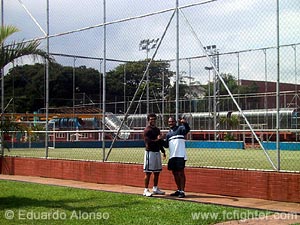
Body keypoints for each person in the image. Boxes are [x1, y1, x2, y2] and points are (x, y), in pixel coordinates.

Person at [164, 116, 190, 198]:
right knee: (175, 173)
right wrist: (160, 140)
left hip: (180, 155)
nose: (170, 123)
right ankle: (178, 190)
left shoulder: (181, 129)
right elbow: (166, 145)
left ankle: (182, 191)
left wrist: (184, 123)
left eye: (172, 121)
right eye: (169, 122)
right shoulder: (168, 134)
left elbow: (187, 129)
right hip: (172, 156)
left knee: (181, 173)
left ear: (175, 122)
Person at [143, 113, 166, 197]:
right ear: (148, 120)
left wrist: (163, 151)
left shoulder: (157, 130)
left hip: (157, 152)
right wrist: (158, 139)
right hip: (150, 152)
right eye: (151, 119)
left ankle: (155, 188)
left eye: (154, 119)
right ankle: (145, 190)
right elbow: (148, 143)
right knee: (148, 172)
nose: (153, 121)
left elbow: (159, 142)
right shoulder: (147, 130)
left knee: (157, 172)